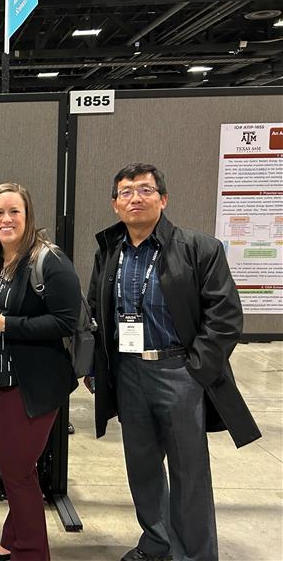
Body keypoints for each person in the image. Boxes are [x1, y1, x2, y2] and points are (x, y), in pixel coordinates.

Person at [87, 163, 261, 561]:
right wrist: (99, 367)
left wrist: (196, 369)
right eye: (126, 192)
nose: (135, 198)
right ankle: (157, 544)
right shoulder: (109, 252)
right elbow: (99, 311)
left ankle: (195, 555)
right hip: (129, 372)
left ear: (163, 199)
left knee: (189, 474)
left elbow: (226, 315)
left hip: (179, 371)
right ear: (115, 205)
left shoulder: (199, 247)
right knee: (143, 468)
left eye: (145, 190)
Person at [0, 183, 80, 561]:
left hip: (29, 384)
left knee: (15, 469)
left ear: (28, 215)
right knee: (17, 466)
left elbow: (66, 321)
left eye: (14, 211)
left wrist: (7, 324)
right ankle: (12, 539)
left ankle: (31, 552)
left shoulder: (48, 260)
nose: (6, 219)